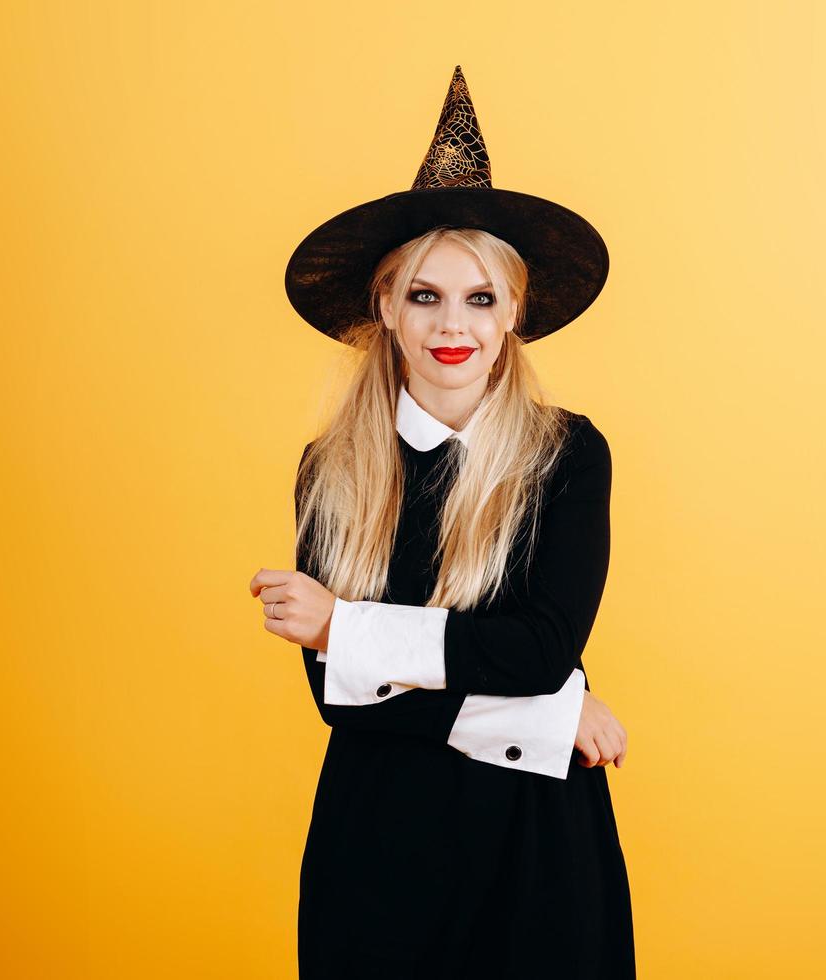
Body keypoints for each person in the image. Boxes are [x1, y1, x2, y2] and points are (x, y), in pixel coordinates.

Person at [248, 67, 636, 978]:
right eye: (424, 295)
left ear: (513, 316)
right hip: (378, 845)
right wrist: (551, 717)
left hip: (537, 842)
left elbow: (538, 647)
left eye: (479, 298)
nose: (450, 324)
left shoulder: (567, 455)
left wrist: (346, 625)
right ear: (383, 307)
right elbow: (341, 699)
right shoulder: (331, 468)